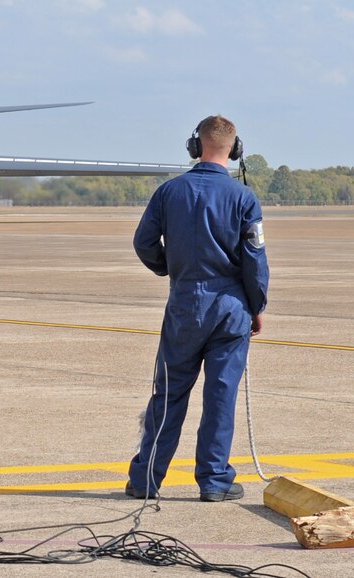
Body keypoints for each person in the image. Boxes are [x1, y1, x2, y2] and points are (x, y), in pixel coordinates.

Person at [126, 115, 269, 502]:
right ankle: (214, 480)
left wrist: (170, 267)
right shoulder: (244, 198)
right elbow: (254, 259)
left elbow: (143, 243)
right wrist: (256, 306)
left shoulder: (169, 192)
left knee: (169, 393)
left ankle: (146, 480)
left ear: (196, 145)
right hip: (231, 307)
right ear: (235, 149)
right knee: (221, 395)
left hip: (186, 304)